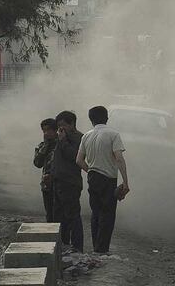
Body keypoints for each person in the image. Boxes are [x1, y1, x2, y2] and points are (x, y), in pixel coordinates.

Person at [76, 106, 130, 254]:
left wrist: (92, 171)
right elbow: (119, 158)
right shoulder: (113, 134)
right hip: (108, 179)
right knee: (108, 213)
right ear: (106, 118)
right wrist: (125, 182)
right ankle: (102, 249)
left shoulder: (86, 136)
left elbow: (79, 160)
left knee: (96, 212)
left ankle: (96, 247)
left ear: (91, 119)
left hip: (93, 177)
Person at [53, 111, 84, 253]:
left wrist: (64, 141)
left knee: (73, 215)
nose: (60, 128)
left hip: (70, 182)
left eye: (63, 125)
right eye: (59, 126)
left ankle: (77, 246)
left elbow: (74, 156)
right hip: (59, 181)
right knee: (61, 216)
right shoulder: (61, 137)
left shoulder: (79, 138)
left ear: (72, 124)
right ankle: (64, 244)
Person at [33, 118, 57, 223]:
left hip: (61, 184)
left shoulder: (62, 144)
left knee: (62, 214)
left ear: (55, 130)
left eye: (49, 130)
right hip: (47, 185)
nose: (46, 133)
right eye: (44, 130)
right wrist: (46, 146)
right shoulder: (41, 146)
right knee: (50, 214)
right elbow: (37, 163)